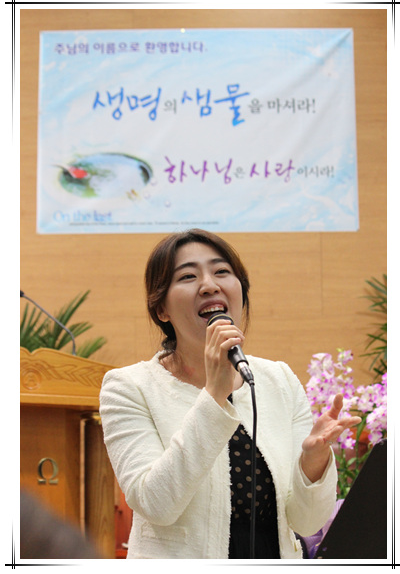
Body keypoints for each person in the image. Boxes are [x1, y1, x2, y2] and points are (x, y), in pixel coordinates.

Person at [99, 229, 361, 559]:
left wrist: (313, 462)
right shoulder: (128, 387)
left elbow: (307, 523)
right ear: (161, 309)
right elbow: (155, 504)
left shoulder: (278, 379)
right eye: (188, 276)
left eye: (222, 271)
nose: (209, 285)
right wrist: (214, 395)